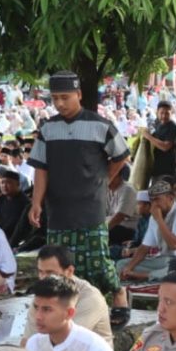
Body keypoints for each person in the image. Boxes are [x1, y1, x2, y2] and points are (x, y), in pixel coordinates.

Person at [27, 71, 128, 299]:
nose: (60, 103)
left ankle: (117, 293)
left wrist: (103, 180)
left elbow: (121, 155)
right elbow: (40, 168)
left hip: (90, 207)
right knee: (59, 261)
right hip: (58, 209)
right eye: (55, 98)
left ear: (79, 94)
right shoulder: (47, 129)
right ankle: (70, 303)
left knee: (97, 260)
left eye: (65, 97)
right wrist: (36, 203)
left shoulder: (101, 125)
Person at [21, 244, 112, 345]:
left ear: (69, 271)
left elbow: (66, 341)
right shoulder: (44, 293)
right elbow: (27, 340)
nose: (43, 278)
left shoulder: (91, 298)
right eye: (41, 272)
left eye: (50, 273)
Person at [119, 177, 176, 284]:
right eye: (152, 200)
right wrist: (128, 268)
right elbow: (144, 247)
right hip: (164, 260)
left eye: (157, 199)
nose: (154, 204)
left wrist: (159, 219)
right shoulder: (154, 217)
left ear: (170, 198)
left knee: (175, 272)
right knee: (121, 265)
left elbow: (174, 245)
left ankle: (143, 277)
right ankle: (144, 278)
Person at [142, 99, 176, 179]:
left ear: (171, 113)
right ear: (157, 112)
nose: (164, 116)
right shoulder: (157, 123)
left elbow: (165, 147)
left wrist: (148, 136)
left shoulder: (174, 128)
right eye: (161, 113)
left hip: (167, 171)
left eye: (167, 113)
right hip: (155, 169)